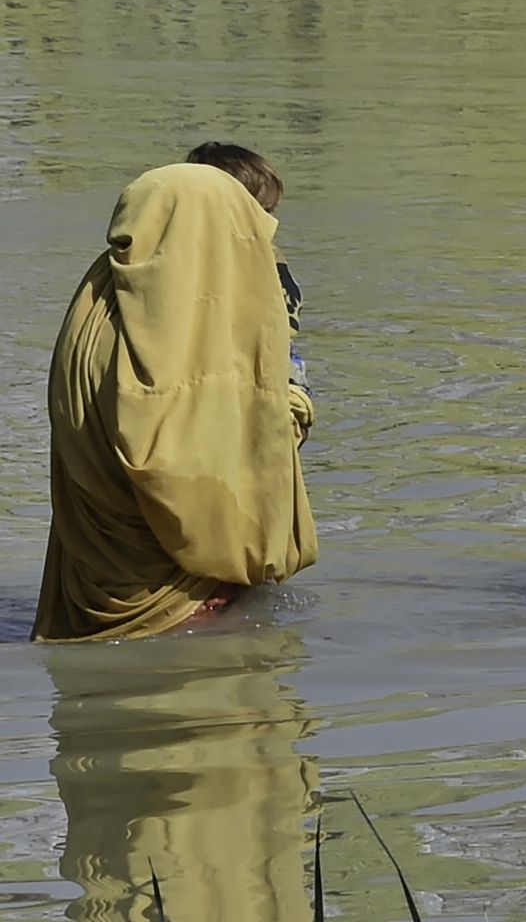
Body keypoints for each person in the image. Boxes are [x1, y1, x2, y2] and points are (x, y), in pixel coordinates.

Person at [33, 163, 318, 642]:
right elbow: (184, 469)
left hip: (92, 586)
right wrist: (292, 403)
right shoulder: (192, 328)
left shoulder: (95, 309)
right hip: (186, 601)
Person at [185, 141, 308, 392]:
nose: (270, 222)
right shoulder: (183, 266)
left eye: (271, 211)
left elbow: (282, 349)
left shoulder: (270, 264)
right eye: (258, 211)